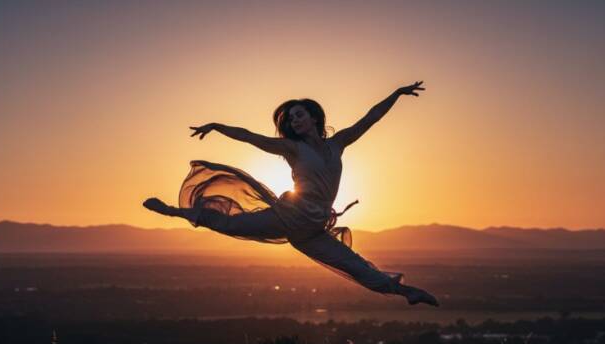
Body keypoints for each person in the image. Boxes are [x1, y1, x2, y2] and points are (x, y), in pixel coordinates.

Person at [143, 81, 439, 306]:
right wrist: (217, 126)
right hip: (290, 215)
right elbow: (251, 137)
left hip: (313, 228)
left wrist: (397, 94)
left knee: (354, 264)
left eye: (298, 115)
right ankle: (173, 210)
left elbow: (370, 118)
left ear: (313, 117)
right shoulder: (292, 148)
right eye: (290, 119)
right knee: (231, 223)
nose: (294, 121)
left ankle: (406, 292)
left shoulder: (338, 143)